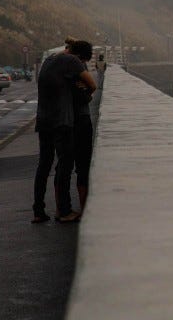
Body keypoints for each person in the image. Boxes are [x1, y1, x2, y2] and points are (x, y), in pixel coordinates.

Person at [32, 40, 96, 223]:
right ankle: (64, 211)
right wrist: (88, 93)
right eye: (83, 62)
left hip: (43, 119)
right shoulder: (72, 61)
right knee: (65, 165)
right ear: (80, 57)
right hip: (61, 121)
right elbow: (92, 85)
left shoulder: (49, 60)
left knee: (44, 165)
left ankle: (38, 211)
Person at [68, 40, 96, 214]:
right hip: (80, 121)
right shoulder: (76, 67)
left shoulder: (60, 67)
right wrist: (87, 94)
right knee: (83, 166)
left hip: (65, 121)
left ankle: (64, 209)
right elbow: (92, 86)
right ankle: (84, 207)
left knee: (64, 166)